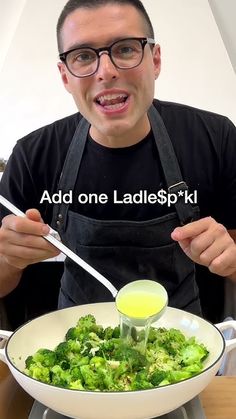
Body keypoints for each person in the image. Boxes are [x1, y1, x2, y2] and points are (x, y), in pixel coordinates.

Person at [0, 0, 236, 318]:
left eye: (125, 49)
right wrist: (8, 259)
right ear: (65, 76)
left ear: (155, 60)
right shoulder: (33, 155)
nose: (106, 72)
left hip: (187, 352)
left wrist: (231, 260)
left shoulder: (215, 138)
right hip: (75, 350)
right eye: (83, 56)